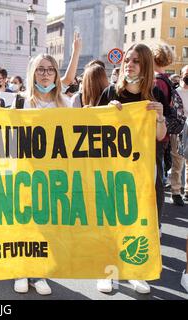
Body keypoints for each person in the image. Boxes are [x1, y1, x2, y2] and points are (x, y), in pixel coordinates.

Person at [97, 43, 168, 294]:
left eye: (136, 61)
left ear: (146, 65)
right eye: (128, 59)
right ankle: (108, 271)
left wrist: (160, 118)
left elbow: (161, 136)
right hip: (112, 169)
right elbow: (92, 128)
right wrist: (105, 113)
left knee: (138, 220)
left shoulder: (154, 96)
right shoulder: (109, 93)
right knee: (111, 219)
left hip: (143, 171)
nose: (130, 64)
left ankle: (136, 272)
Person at [11, 53, 72, 296]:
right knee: (24, 223)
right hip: (24, 172)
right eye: (40, 69)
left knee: (46, 225)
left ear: (57, 74)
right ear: (32, 73)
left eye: (50, 69)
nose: (45, 74)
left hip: (53, 175)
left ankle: (41, 273)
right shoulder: (19, 102)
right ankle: (21, 270)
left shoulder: (65, 104)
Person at [152, 45, 183, 206]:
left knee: (155, 179)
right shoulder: (166, 79)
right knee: (160, 173)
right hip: (164, 133)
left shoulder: (156, 81)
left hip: (157, 133)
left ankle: (155, 221)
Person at [178, 65, 188, 202]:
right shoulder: (177, 92)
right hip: (180, 127)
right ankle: (176, 187)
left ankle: (186, 189)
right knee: (179, 159)